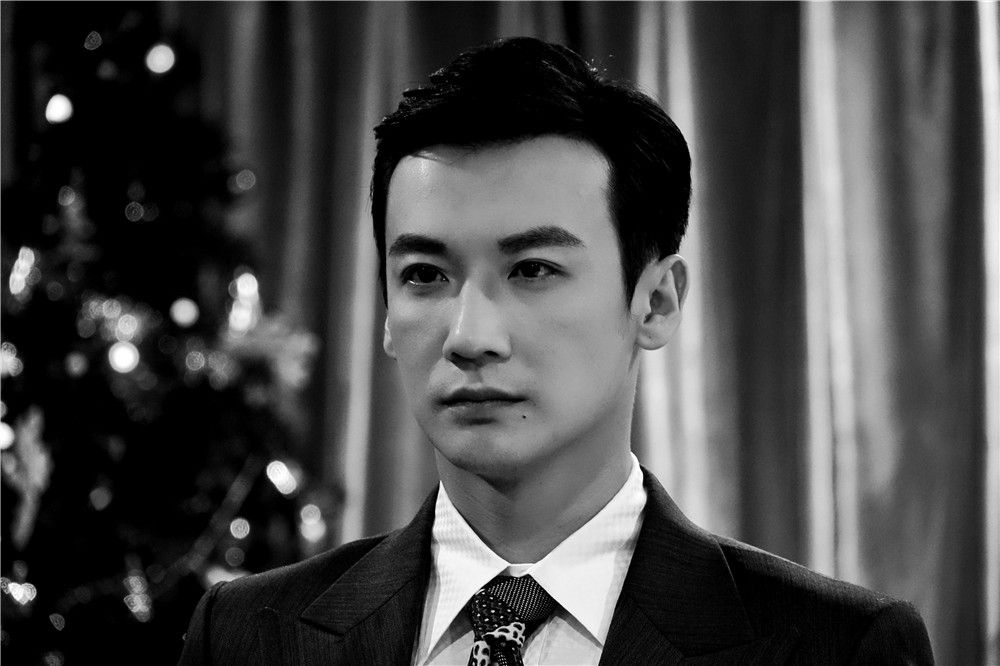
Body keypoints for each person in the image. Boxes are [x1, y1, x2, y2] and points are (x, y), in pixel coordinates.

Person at [179, 37, 933, 665]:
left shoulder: (836, 648)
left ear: (656, 302)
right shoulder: (246, 637)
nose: (470, 336)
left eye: (532, 270)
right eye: (425, 275)